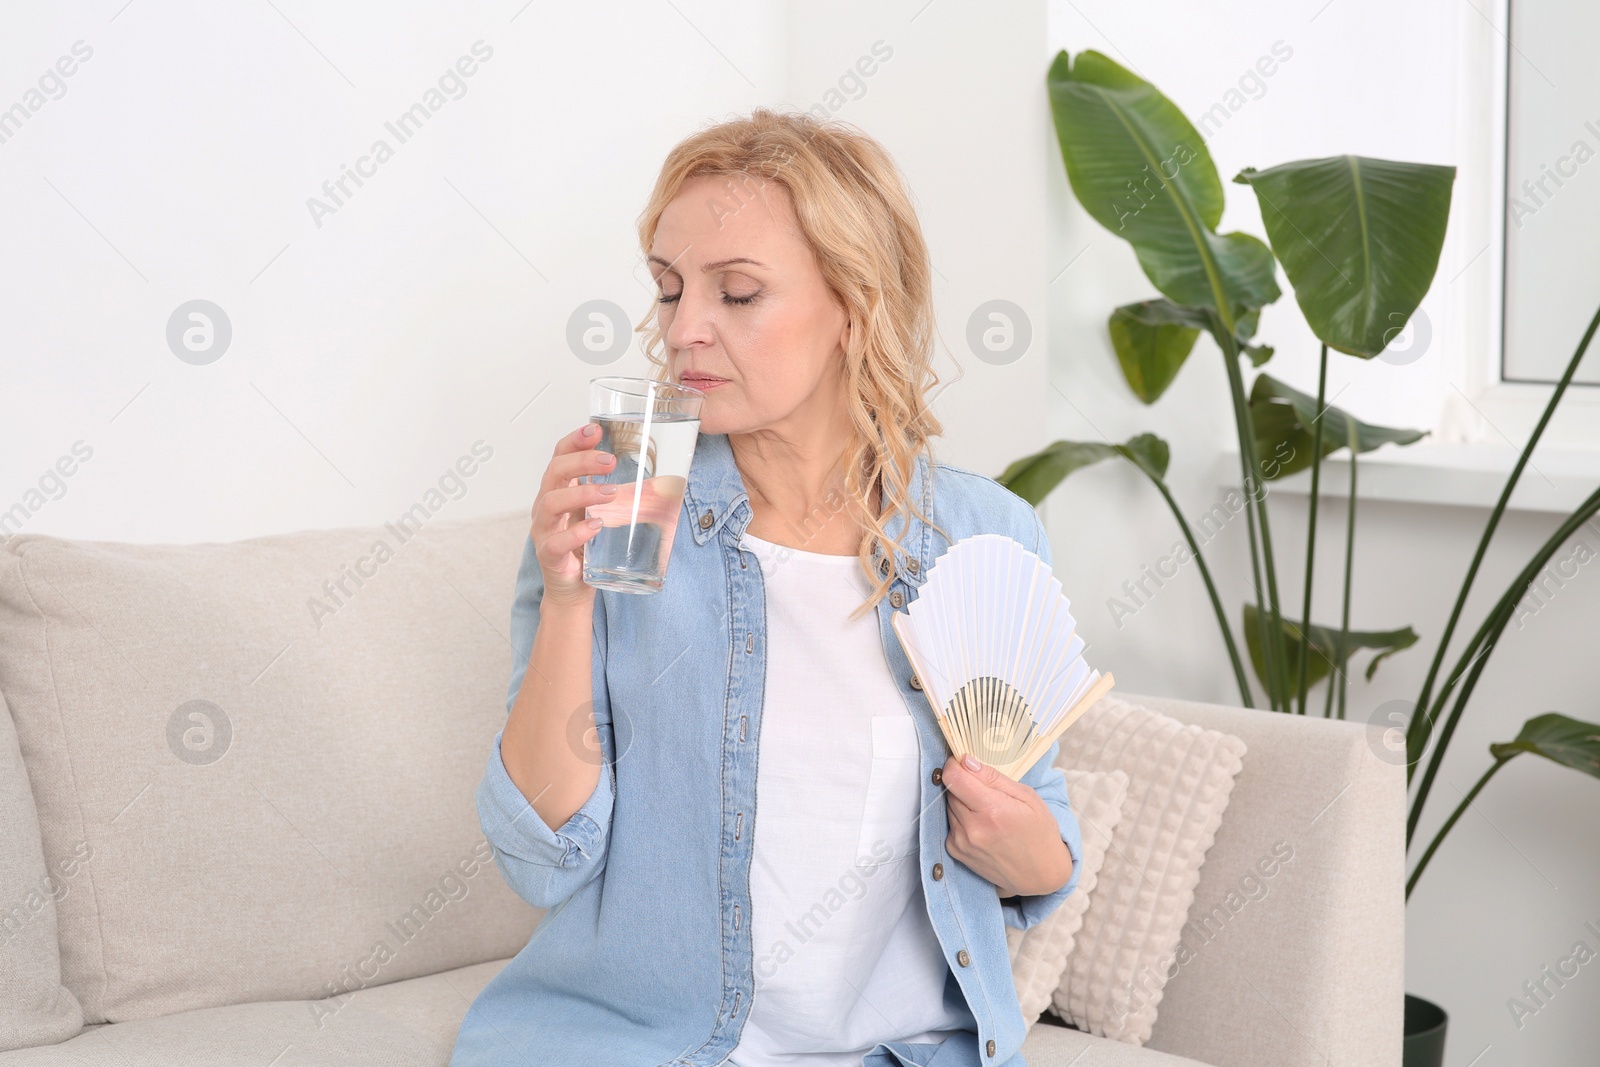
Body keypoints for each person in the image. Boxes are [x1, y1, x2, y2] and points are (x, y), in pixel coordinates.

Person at [451, 108, 1082, 1067]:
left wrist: (1006, 832)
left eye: (736, 293)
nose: (684, 330)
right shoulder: (626, 512)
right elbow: (542, 857)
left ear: (853, 306)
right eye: (668, 291)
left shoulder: (982, 536)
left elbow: (1045, 864)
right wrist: (569, 598)